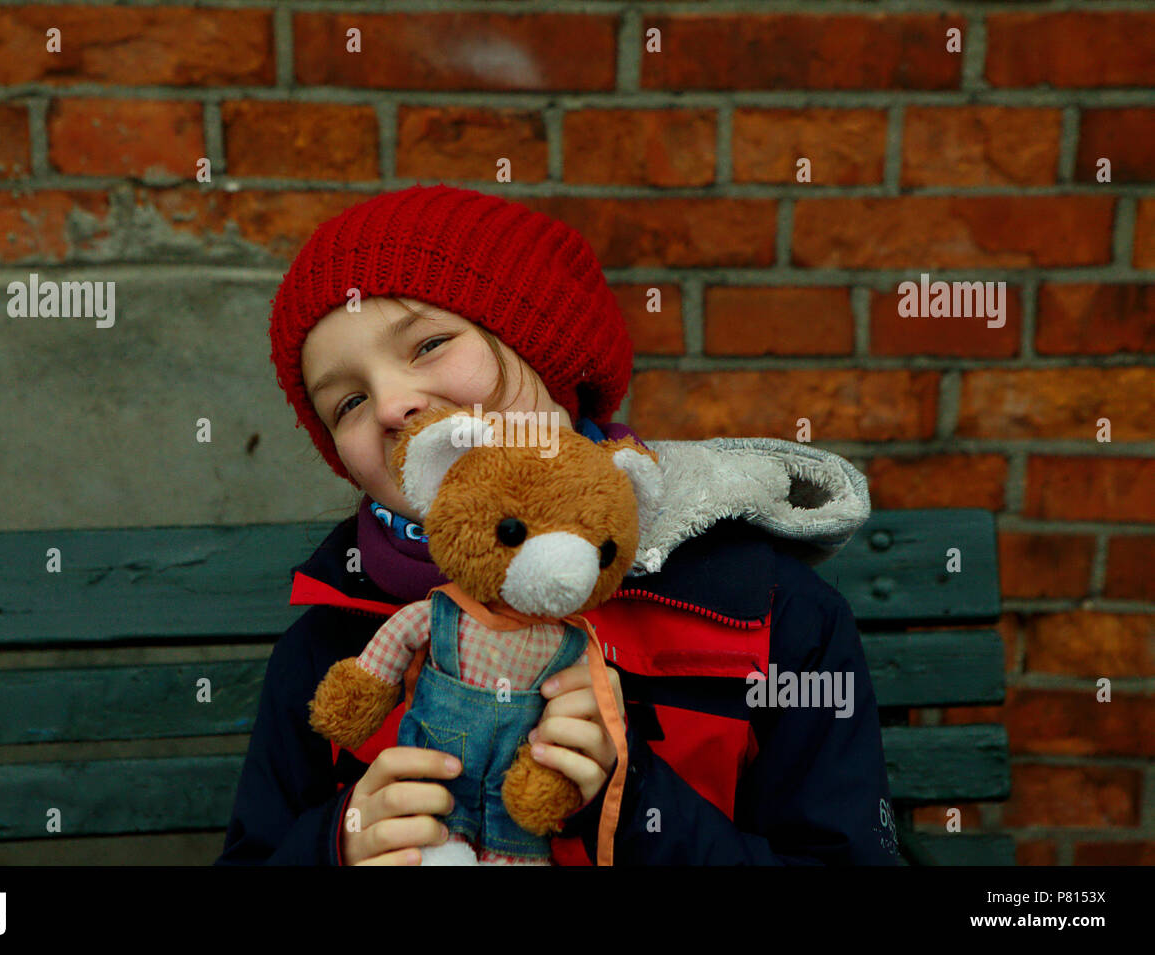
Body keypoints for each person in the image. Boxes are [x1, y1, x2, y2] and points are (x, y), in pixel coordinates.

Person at [216, 183, 902, 866]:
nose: (393, 404)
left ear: (545, 348)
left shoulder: (766, 613)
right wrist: (336, 845)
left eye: (427, 344)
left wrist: (632, 803)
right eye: (349, 401)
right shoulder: (331, 642)